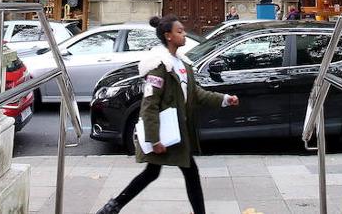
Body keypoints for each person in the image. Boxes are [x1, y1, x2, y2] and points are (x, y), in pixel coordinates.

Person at [93, 15, 239, 214]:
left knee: (158, 173)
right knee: (181, 173)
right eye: (180, 31)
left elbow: (195, 93)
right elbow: (149, 104)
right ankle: (113, 206)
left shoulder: (182, 64)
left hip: (177, 131)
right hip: (165, 133)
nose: (184, 34)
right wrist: (154, 139)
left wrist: (224, 99)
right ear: (168, 36)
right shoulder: (160, 67)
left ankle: (113, 207)